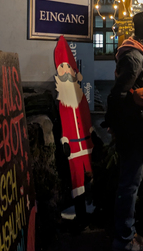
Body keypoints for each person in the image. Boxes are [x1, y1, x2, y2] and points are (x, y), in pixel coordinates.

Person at [106, 11, 143, 251]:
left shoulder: (139, 53)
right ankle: (125, 240)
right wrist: (116, 124)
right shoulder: (135, 57)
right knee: (130, 184)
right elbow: (117, 95)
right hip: (133, 128)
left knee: (133, 183)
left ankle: (130, 232)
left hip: (136, 125)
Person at [54, 35, 94, 222]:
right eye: (63, 67)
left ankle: (92, 204)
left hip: (86, 142)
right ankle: (80, 212)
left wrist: (91, 131)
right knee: (77, 178)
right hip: (74, 145)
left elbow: (85, 116)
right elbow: (64, 121)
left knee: (90, 173)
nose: (66, 71)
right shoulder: (63, 100)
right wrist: (64, 140)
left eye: (68, 67)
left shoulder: (80, 97)